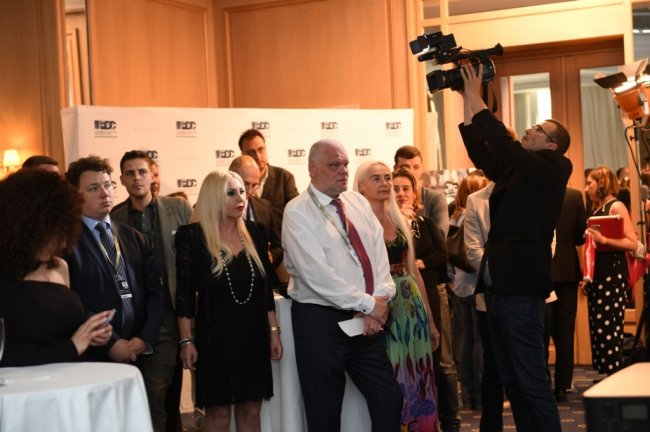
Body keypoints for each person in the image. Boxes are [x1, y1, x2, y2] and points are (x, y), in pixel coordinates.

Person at [458, 63, 571, 432]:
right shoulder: (518, 172)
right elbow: (484, 155)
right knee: (513, 381)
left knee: (532, 382)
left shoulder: (555, 166)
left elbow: (506, 147)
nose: (528, 130)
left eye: (537, 130)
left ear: (551, 145)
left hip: (522, 292)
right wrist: (466, 99)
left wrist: (477, 98)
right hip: (498, 292)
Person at [282, 139, 402, 432]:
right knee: (324, 413)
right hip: (320, 322)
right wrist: (369, 304)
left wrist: (377, 300)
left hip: (365, 319)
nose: (343, 171)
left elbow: (378, 257)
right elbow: (317, 276)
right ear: (312, 168)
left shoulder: (357, 202)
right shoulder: (297, 212)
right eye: (334, 165)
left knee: (389, 398)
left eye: (345, 164)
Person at [175, 170, 282, 432]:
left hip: (253, 336)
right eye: (231, 193)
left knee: (251, 411)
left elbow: (265, 290)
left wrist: (273, 332)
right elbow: (185, 295)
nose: (240, 198)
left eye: (242, 191)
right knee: (219, 414)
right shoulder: (193, 236)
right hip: (215, 338)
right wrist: (186, 341)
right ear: (213, 197)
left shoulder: (256, 232)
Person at [354, 160, 440, 431]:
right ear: (361, 186)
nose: (384, 183)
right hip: (382, 308)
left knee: (420, 373)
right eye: (376, 178)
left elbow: (414, 271)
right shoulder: (356, 224)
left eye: (386, 177)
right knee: (391, 379)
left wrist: (431, 321)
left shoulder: (399, 219)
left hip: (412, 306)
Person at [111, 150, 193, 432]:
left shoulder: (179, 208)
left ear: (152, 175)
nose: (137, 178)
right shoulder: (114, 217)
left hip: (173, 316)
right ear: (122, 179)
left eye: (142, 172)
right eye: (130, 173)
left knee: (166, 394)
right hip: (132, 320)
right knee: (143, 398)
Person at [0, 169, 113, 366]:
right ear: (25, 228)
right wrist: (73, 346)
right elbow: (6, 353)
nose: (62, 243)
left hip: (72, 377)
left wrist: (93, 334)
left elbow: (63, 326)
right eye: (54, 232)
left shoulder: (59, 266)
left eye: (66, 232)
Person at [64, 155, 165, 364]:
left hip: (138, 349)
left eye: (107, 185)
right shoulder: (66, 242)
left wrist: (144, 338)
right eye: (93, 188)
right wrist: (111, 343)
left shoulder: (134, 237)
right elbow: (70, 302)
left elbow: (155, 292)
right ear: (75, 196)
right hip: (93, 355)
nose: (104, 193)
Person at [394, 146, 459, 432]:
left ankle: (449, 420)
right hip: (399, 300)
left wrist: (419, 262)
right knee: (407, 363)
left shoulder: (427, 221)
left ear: (415, 193)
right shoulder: (386, 225)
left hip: (432, 293)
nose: (401, 193)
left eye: (406, 189)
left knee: (441, 361)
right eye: (396, 189)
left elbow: (441, 252)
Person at [584, 166, 637, 376]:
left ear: (601, 183)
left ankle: (613, 374)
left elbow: (632, 243)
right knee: (599, 327)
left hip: (612, 276)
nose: (586, 187)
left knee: (609, 327)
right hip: (599, 275)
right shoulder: (598, 208)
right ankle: (605, 374)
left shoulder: (616, 206)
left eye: (590, 183)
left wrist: (604, 240)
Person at [464, 181, 504, 432]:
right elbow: (473, 248)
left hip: (533, 295)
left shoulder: (533, 188)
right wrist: (501, 278)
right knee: (493, 369)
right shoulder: (476, 199)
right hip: (490, 295)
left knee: (534, 372)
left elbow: (548, 242)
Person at [447, 172, 489, 411]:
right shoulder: (473, 214)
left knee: (464, 338)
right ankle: (482, 394)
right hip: (476, 282)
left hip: (459, 285)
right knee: (479, 340)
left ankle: (468, 394)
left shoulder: (455, 217)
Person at [547, 187, 587, 401]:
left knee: (541, 331)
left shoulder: (534, 191)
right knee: (565, 331)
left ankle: (542, 381)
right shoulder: (574, 196)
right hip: (567, 270)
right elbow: (581, 237)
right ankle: (563, 384)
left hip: (542, 270)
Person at [238, 129, 298, 212]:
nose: (258, 157)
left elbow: (295, 212)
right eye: (252, 152)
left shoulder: (284, 177)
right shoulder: (236, 180)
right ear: (243, 154)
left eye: (261, 149)